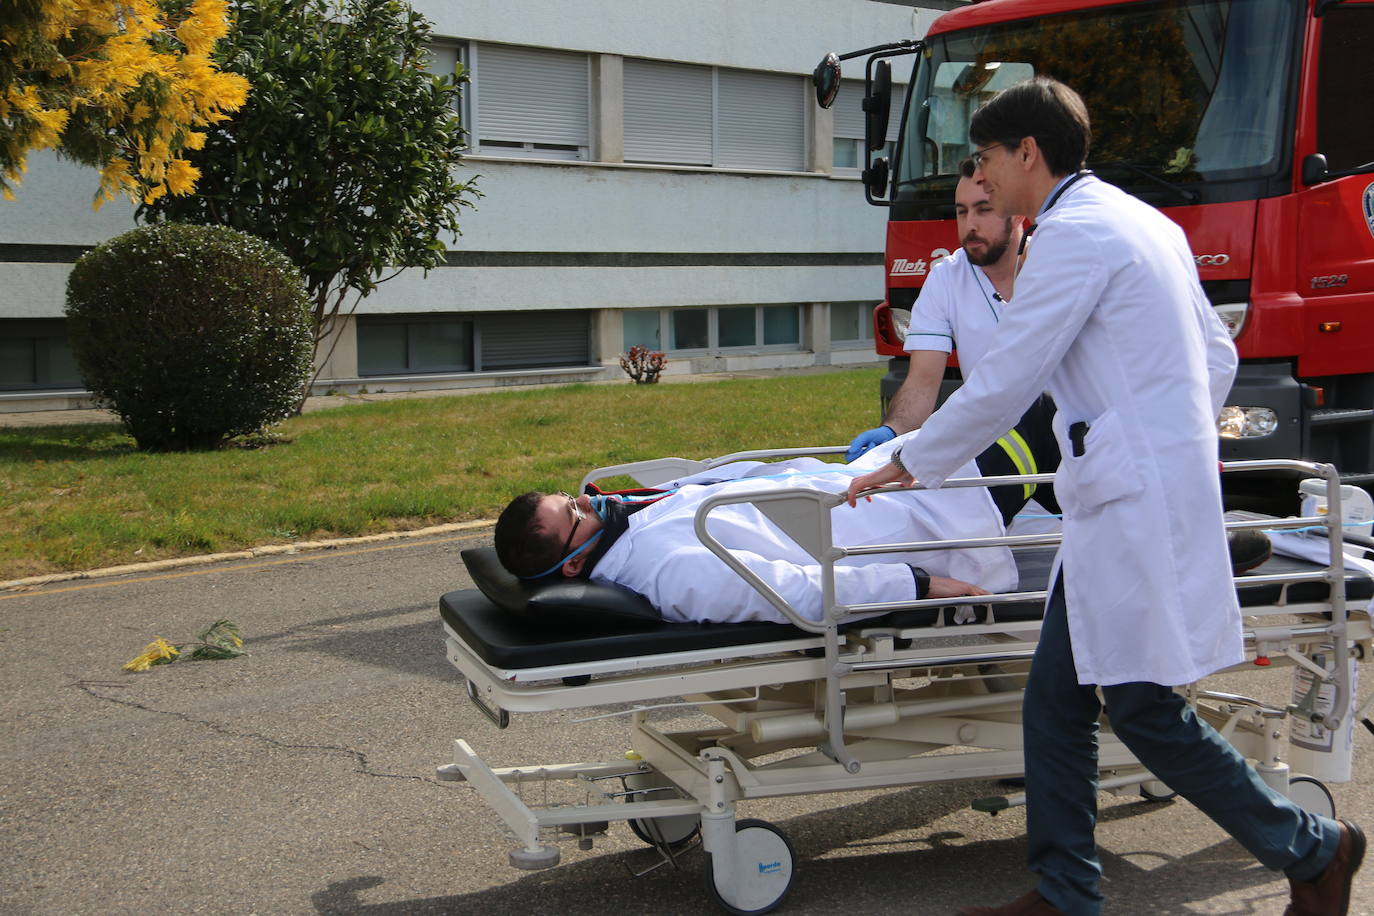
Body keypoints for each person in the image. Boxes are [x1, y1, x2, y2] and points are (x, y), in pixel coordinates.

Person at [845, 77, 1362, 916]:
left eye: (984, 160)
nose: (982, 178)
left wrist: (913, 461)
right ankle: (1064, 891)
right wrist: (1163, 431)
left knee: (1142, 705)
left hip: (1128, 496)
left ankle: (1312, 848)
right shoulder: (1139, 221)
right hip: (1128, 485)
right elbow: (1215, 356)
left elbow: (1006, 378)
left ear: (1026, 153)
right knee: (1056, 701)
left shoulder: (1074, 237)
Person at [493, 416, 1061, 626]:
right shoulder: (667, 570)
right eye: (572, 514)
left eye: (570, 497)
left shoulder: (633, 521)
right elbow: (791, 592)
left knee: (1035, 418)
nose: (588, 502)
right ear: (572, 567)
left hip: (876, 482)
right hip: (916, 520)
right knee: (1046, 418)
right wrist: (916, 584)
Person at [847, 158, 1031, 462]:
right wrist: (893, 431)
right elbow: (921, 382)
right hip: (993, 447)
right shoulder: (946, 277)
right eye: (961, 211)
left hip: (1066, 445)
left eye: (984, 209)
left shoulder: (1056, 267)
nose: (969, 225)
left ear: (1018, 213)